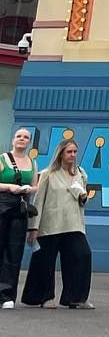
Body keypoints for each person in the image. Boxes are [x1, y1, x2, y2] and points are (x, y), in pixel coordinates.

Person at [20, 138, 93, 309]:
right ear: (60, 153)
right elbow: (38, 201)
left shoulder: (81, 173)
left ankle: (76, 298)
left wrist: (83, 197)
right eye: (69, 152)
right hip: (50, 224)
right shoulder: (48, 174)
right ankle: (44, 297)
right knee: (45, 262)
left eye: (75, 152)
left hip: (74, 224)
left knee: (82, 255)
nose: (73, 155)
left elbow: (82, 200)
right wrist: (33, 227)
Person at [0, 126, 39, 309]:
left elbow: (35, 186)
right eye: (19, 136)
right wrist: (9, 187)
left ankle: (7, 295)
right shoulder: (3, 159)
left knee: (14, 251)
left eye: (25, 137)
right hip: (2, 206)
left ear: (29, 142)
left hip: (20, 209)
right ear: (13, 139)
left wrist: (29, 189)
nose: (22, 139)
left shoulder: (32, 163)